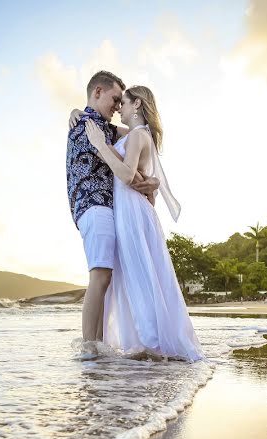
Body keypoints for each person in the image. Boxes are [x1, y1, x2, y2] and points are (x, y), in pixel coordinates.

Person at [83, 85, 204, 361]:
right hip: (131, 211)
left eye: (123, 103)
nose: (119, 109)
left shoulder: (138, 135)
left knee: (140, 275)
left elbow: (126, 175)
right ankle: (149, 343)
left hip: (133, 214)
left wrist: (100, 146)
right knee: (140, 275)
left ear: (136, 104)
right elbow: (135, 172)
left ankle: (152, 344)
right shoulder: (138, 135)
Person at [66, 71, 159, 347]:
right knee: (100, 275)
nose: (118, 107)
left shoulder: (100, 126)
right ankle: (90, 349)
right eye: (115, 100)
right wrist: (146, 182)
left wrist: (151, 180)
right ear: (97, 92)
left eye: (122, 102)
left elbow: (136, 133)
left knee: (104, 277)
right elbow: (119, 158)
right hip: (93, 204)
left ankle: (97, 347)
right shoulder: (87, 126)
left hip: (103, 207)